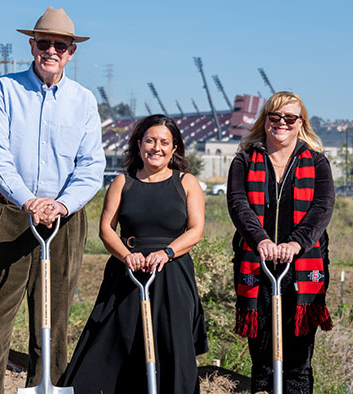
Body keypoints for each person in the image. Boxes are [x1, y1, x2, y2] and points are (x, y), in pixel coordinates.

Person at [0, 7, 105, 393]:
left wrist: (60, 205)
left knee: (53, 318)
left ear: (71, 52)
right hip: (10, 211)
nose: (51, 50)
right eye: (44, 43)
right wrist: (30, 201)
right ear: (32, 45)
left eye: (60, 45)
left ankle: (48, 386)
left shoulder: (83, 100)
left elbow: (92, 166)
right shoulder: (4, 90)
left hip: (64, 218)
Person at [59, 114, 208, 393]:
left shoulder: (187, 182)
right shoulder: (122, 182)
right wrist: (127, 256)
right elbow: (106, 229)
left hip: (171, 273)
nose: (156, 148)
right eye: (150, 141)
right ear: (139, 144)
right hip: (127, 272)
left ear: (174, 148)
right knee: (113, 342)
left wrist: (167, 252)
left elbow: (196, 230)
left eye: (165, 142)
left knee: (171, 343)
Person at [227, 92, 335, 393]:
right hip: (255, 264)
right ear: (265, 120)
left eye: (290, 118)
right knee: (262, 356)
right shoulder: (245, 159)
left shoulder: (316, 162)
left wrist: (296, 243)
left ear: (301, 123)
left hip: (303, 267)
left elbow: (322, 208)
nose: (282, 123)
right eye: (275, 117)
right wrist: (260, 240)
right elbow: (238, 203)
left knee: (298, 360)